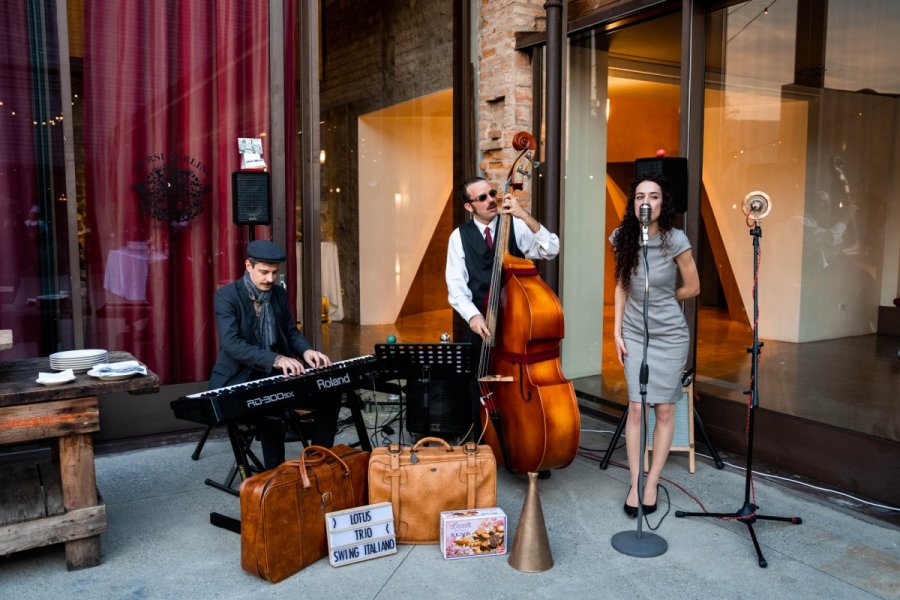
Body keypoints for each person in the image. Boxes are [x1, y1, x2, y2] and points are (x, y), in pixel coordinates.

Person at [445, 176, 560, 444]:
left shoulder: (515, 226)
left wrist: (523, 214)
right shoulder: (458, 237)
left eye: (492, 194)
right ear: (469, 207)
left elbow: (551, 248)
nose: (490, 201)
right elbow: (456, 285)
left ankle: (527, 443)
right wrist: (473, 316)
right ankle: (485, 445)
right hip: (480, 323)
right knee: (478, 384)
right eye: (482, 198)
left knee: (517, 386)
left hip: (516, 325)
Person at [611, 173, 700, 517]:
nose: (646, 202)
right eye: (639, 196)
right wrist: (617, 331)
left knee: (663, 410)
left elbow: (692, 287)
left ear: (663, 204)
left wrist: (662, 297)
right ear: (633, 203)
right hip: (634, 333)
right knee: (636, 407)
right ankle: (635, 482)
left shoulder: (676, 240)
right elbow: (621, 285)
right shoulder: (623, 238)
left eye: (654, 196)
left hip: (670, 336)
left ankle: (652, 483)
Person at [210, 239, 342, 469]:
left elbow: (290, 332)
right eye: (263, 272)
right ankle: (276, 475)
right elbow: (232, 344)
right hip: (241, 376)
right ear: (248, 266)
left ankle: (319, 463)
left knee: (330, 392)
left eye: (274, 272)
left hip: (274, 372)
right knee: (273, 403)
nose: (270, 279)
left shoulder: (278, 293)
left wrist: (306, 350)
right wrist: (277, 359)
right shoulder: (227, 296)